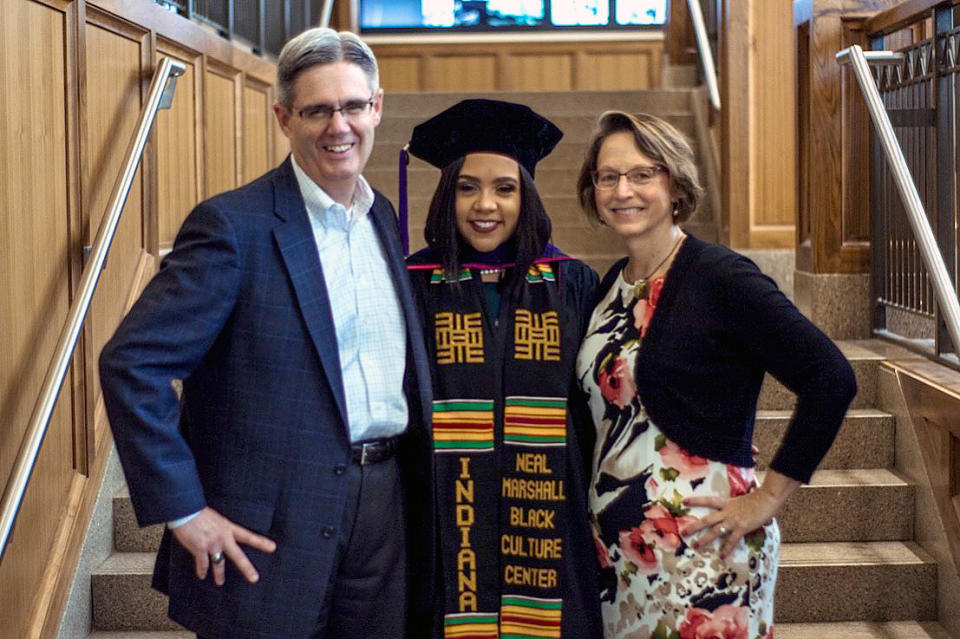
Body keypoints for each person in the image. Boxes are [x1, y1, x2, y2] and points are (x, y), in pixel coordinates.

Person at [98, 27, 431, 639]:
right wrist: (185, 509)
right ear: (284, 117)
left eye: (354, 106)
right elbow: (131, 363)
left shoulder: (383, 216)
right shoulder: (233, 227)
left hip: (382, 512)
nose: (340, 126)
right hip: (267, 527)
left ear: (377, 107)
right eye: (317, 110)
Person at [573, 111, 856, 639]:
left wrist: (767, 498)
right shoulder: (611, 286)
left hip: (707, 552)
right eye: (607, 176)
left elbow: (830, 376)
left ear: (675, 185)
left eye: (642, 174)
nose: (621, 190)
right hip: (622, 558)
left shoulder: (721, 276)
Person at [403, 99, 603, 639]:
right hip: (443, 520)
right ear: (447, 195)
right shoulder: (413, 284)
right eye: (467, 187)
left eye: (504, 188)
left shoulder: (571, 284)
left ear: (527, 196)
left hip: (551, 519)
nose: (484, 205)